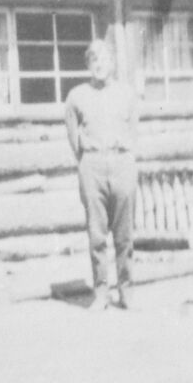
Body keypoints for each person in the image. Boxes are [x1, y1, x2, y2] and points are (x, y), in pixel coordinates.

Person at [64, 39, 139, 311]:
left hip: (121, 161)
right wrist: (87, 159)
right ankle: (101, 293)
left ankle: (127, 291)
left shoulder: (126, 93)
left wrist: (125, 157)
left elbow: (133, 129)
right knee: (96, 234)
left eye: (104, 60)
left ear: (113, 64)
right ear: (88, 65)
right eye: (94, 60)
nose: (99, 65)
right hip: (92, 164)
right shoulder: (76, 95)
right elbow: (73, 137)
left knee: (124, 234)